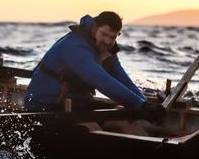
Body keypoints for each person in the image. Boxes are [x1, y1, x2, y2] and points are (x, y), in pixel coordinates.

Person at [24, 11, 165, 125]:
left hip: (79, 104)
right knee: (93, 125)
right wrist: (140, 106)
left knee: (124, 117)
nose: (108, 41)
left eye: (113, 37)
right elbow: (101, 79)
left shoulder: (103, 48)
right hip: (44, 107)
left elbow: (123, 79)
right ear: (94, 27)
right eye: (104, 34)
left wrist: (144, 104)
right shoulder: (75, 46)